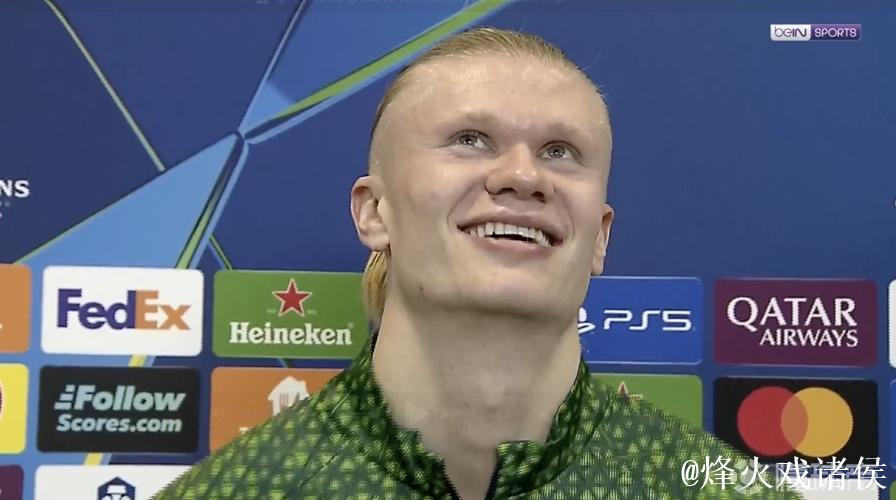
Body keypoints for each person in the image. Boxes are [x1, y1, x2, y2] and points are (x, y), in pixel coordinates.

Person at [153, 27, 802, 499]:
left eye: (559, 151)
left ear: (600, 236)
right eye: (470, 140)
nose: (523, 175)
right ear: (374, 213)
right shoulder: (238, 491)